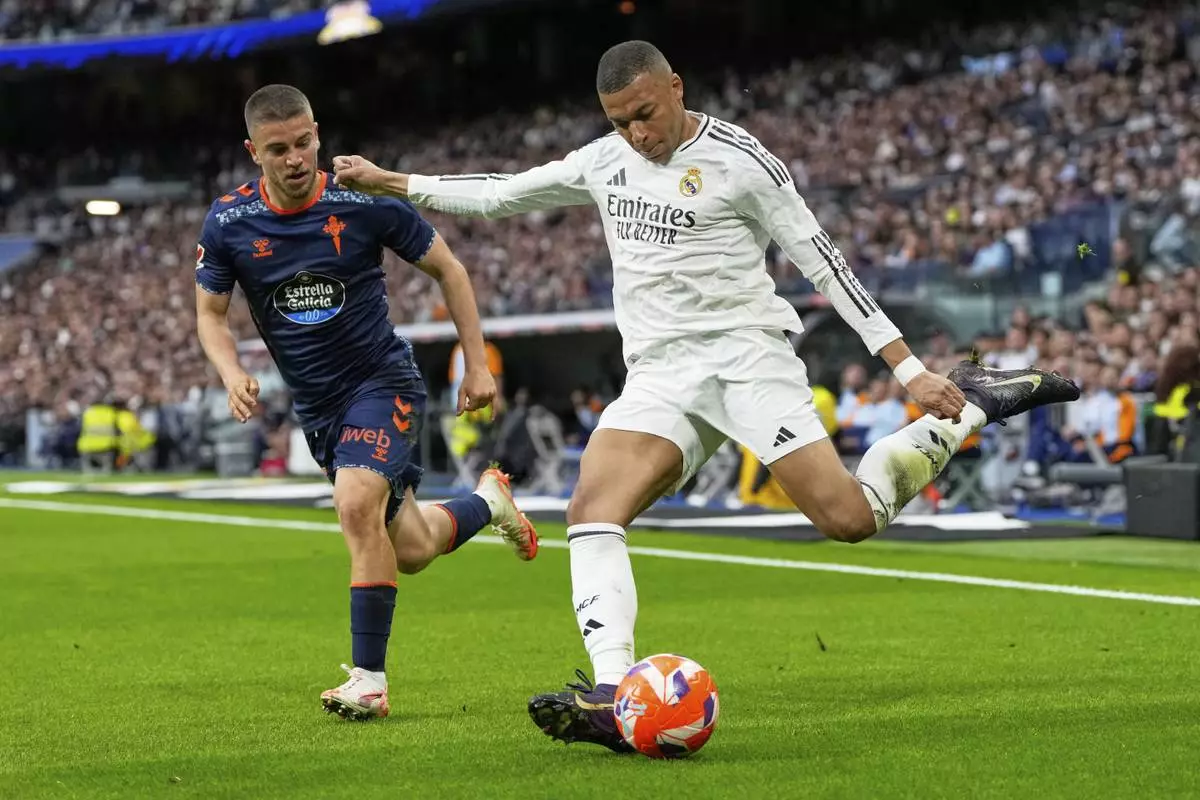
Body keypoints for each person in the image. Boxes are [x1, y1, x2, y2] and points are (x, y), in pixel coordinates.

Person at [331, 42, 1079, 751]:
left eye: (645, 113)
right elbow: (500, 194)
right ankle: (613, 691)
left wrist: (907, 367)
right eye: (619, 121)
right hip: (662, 376)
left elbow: (826, 264)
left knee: (848, 520)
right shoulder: (604, 161)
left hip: (748, 362)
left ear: (675, 88)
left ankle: (972, 403)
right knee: (593, 506)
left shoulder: (741, 161)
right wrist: (390, 180)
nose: (636, 134)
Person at [194, 84, 539, 722]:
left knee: (355, 505)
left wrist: (476, 363)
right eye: (278, 149)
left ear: (317, 135)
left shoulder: (362, 202)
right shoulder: (229, 222)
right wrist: (230, 369)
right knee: (412, 548)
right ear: (253, 152)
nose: (295, 159)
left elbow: (451, 269)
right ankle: (489, 502)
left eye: (304, 143)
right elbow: (211, 315)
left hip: (382, 382)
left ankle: (369, 681)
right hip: (319, 409)